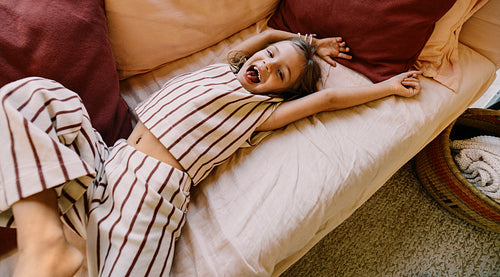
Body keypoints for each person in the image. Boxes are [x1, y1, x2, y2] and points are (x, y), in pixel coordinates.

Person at [0, 28, 421, 277]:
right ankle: (44, 240)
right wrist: (302, 42)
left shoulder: (260, 113)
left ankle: (52, 238)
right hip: (109, 158)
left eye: (281, 74)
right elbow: (263, 39)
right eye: (269, 56)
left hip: (148, 196)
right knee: (29, 97)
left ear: (282, 94)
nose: (269, 65)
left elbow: (325, 102)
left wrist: (385, 87)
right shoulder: (224, 67)